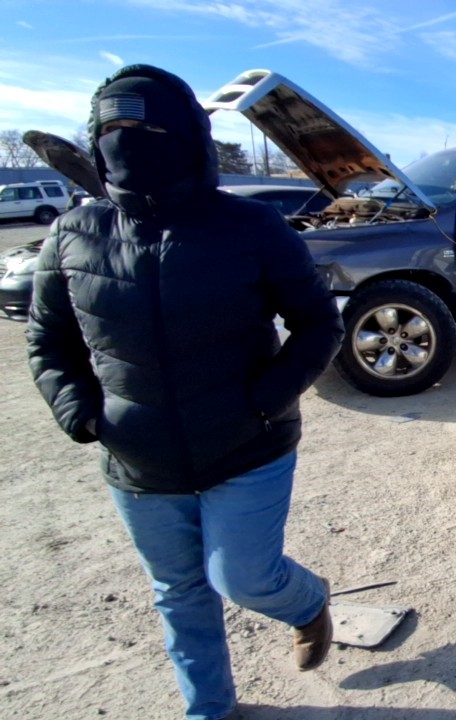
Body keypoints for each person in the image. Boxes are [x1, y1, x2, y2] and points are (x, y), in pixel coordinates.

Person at [25, 65, 345, 720]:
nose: (128, 140)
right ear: (94, 140)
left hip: (247, 450)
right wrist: (81, 413)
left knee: (244, 579)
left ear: (187, 138)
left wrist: (264, 401)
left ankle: (307, 603)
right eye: (113, 128)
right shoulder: (72, 235)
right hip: (138, 462)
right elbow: (49, 343)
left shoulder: (251, 227)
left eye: (146, 127)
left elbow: (318, 323)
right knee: (178, 593)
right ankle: (211, 711)